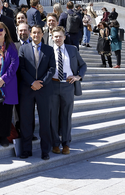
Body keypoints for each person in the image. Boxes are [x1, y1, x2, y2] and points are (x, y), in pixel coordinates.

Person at [18, 24, 55, 160]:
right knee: (26, 121)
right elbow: (21, 69)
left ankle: (45, 150)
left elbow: (52, 69)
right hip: (27, 89)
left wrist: (41, 83)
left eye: (38, 33)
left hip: (44, 90)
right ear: (30, 33)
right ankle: (26, 150)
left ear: (42, 33)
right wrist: (32, 82)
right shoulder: (23, 49)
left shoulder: (49, 50)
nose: (36, 35)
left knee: (45, 121)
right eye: (33, 32)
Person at [49, 26, 86, 155]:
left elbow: (83, 65)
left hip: (68, 86)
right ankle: (55, 144)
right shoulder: (48, 50)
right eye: (56, 36)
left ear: (64, 37)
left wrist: (78, 77)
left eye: (60, 36)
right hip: (53, 86)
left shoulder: (72, 50)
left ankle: (66, 144)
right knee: (53, 116)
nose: (58, 38)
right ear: (52, 37)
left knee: (66, 116)